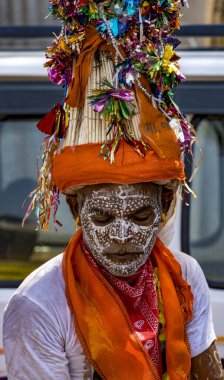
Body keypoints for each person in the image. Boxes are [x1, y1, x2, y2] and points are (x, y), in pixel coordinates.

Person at [3, 1, 224, 379]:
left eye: (140, 215)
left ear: (166, 204)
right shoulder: (39, 305)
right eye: (102, 217)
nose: (122, 236)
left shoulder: (185, 275)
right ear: (76, 209)